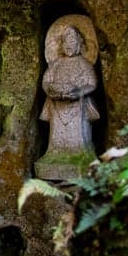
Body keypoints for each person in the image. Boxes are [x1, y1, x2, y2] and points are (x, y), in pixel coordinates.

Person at [37, 23, 99, 176]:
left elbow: (92, 83)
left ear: (80, 44)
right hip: (56, 105)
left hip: (78, 107)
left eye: (72, 41)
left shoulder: (85, 65)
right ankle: (54, 155)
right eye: (66, 41)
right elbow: (46, 82)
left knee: (79, 137)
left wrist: (78, 92)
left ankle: (81, 156)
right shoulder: (55, 65)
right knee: (56, 136)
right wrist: (52, 91)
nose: (69, 45)